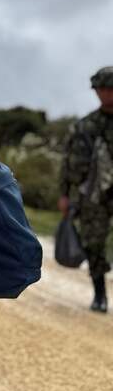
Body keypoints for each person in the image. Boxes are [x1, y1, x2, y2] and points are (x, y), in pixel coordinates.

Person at [59, 66, 113, 313]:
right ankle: (100, 294)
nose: (104, 94)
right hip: (93, 196)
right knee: (93, 243)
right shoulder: (85, 126)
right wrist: (64, 194)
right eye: (100, 89)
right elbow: (68, 161)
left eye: (108, 89)